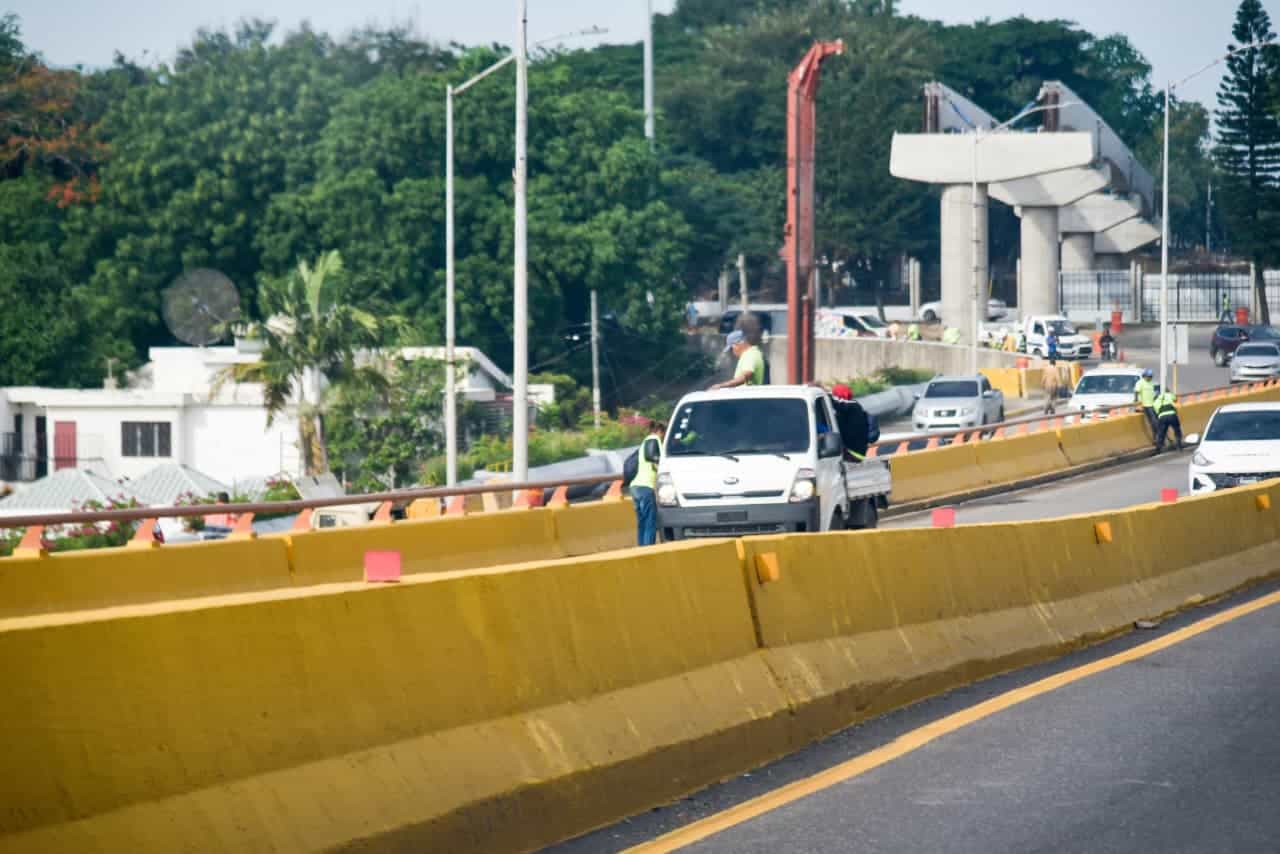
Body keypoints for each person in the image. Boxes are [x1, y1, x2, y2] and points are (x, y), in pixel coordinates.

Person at [629, 420, 665, 546]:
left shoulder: (644, 442)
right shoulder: (653, 439)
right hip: (645, 487)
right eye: (663, 435)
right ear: (660, 431)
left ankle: (641, 549)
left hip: (635, 486)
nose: (663, 438)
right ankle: (649, 549)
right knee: (650, 521)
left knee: (642, 522)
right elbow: (653, 457)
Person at [829, 383, 870, 461]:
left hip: (853, 452)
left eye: (835, 394)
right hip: (854, 451)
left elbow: (838, 405)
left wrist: (827, 396)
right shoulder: (852, 407)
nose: (834, 396)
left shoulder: (852, 406)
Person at [1134, 368, 1158, 434]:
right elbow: (1136, 392)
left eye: (1151, 376)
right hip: (1146, 405)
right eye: (1149, 376)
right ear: (1144, 376)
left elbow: (1152, 393)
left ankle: (1156, 434)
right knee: (1153, 420)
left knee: (1156, 420)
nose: (1150, 378)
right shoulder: (1140, 383)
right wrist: (1137, 403)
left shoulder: (1151, 383)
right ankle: (1156, 435)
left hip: (1152, 404)